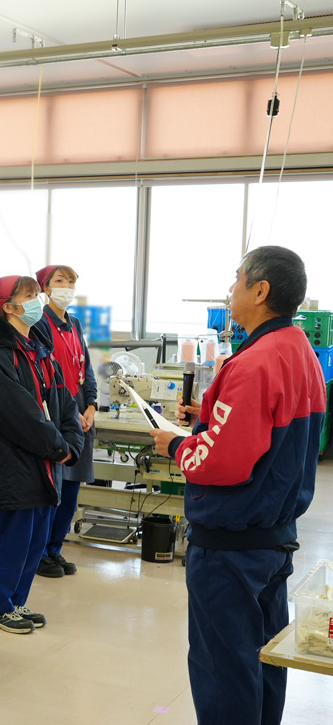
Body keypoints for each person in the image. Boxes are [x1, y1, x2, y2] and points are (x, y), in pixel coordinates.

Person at [150, 246, 326, 725]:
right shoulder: (300, 352)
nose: (230, 292)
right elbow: (270, 438)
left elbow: (225, 463)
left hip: (231, 546)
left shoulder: (253, 363)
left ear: (261, 290)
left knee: (224, 667)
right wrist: (207, 420)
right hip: (273, 537)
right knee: (264, 659)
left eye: (236, 281)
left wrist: (175, 445)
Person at [0, 275, 84, 634]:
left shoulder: (38, 347)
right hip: (16, 458)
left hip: (44, 458)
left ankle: (16, 601)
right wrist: (58, 447)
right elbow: (19, 414)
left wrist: (71, 442)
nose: (39, 299)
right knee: (15, 535)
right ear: (8, 308)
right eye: (30, 295)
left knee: (36, 535)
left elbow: (64, 399)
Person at [34, 264, 98, 578]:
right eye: (60, 281)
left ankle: (55, 549)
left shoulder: (74, 324)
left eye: (71, 281)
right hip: (59, 418)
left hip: (81, 417)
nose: (67, 286)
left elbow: (86, 368)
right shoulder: (39, 325)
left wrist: (93, 405)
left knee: (71, 490)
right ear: (45, 288)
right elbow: (47, 376)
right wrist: (72, 414)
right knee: (54, 489)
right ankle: (41, 552)